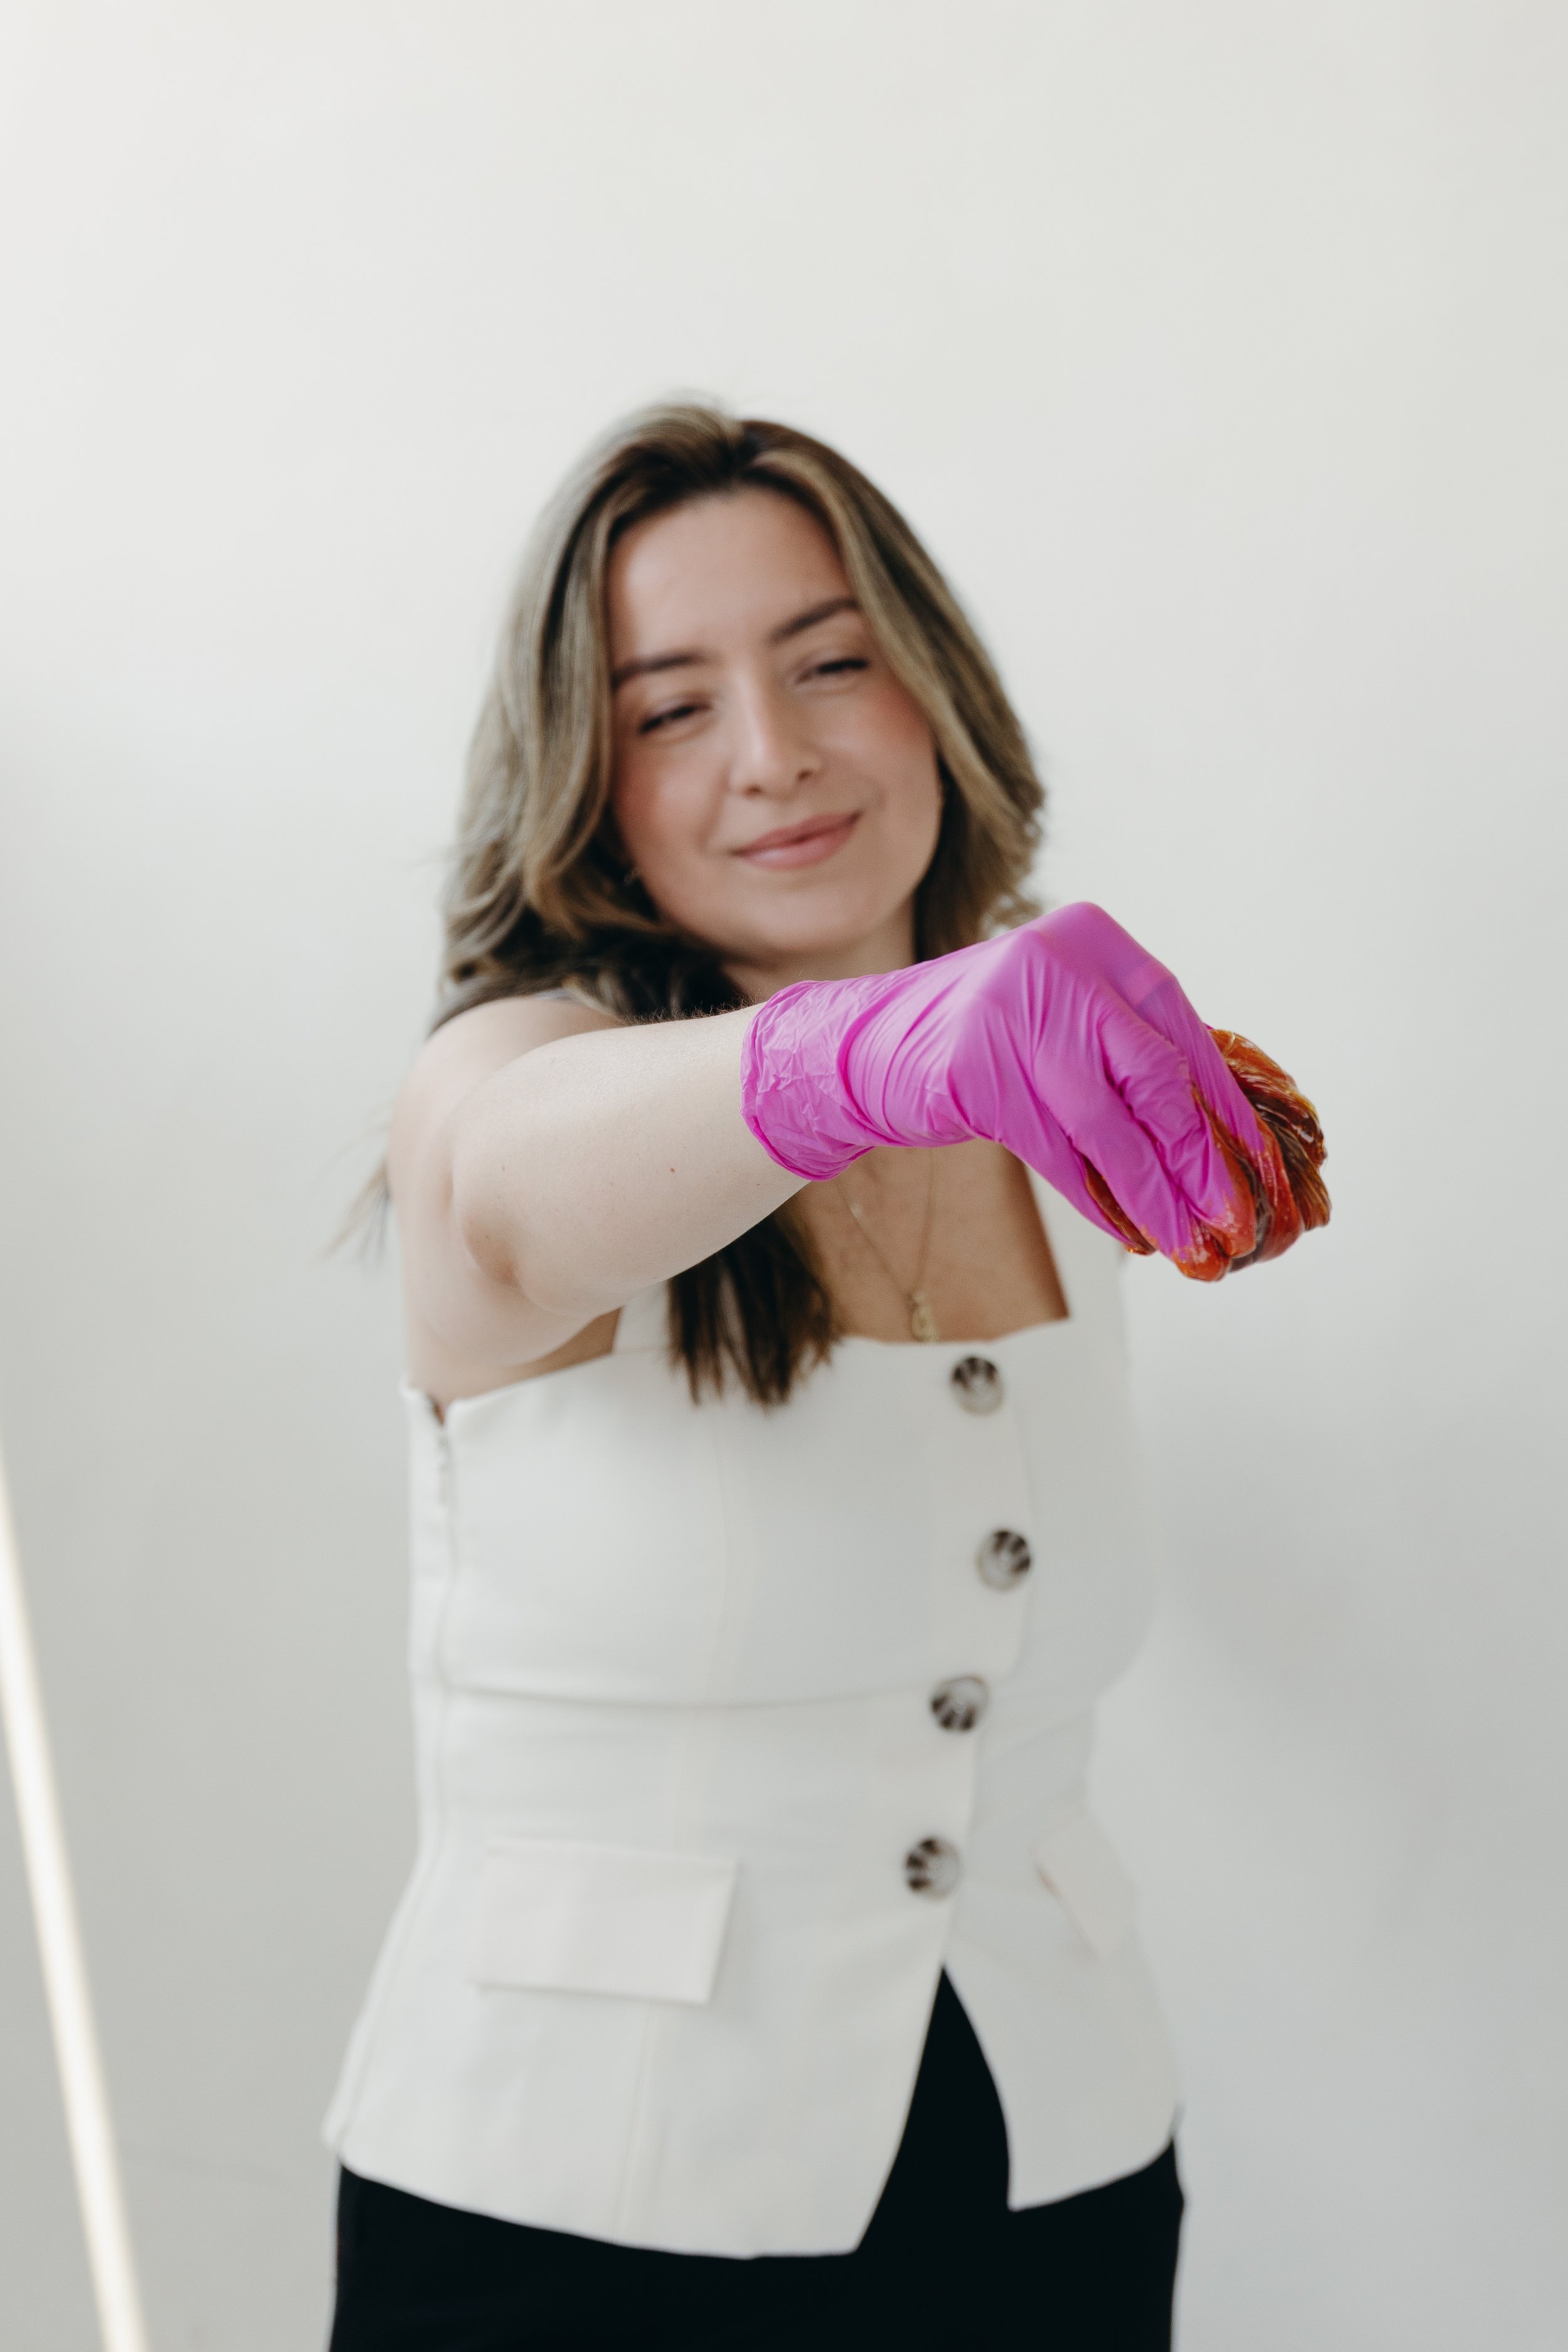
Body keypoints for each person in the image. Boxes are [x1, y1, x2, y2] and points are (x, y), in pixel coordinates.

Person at [324, 404, 1310, 2349]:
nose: (769, 753)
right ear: (584, 775)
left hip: (1056, 2170)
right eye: (670, 707)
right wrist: (875, 1052)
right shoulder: (518, 1076)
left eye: (829, 662)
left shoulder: (1060, 1121)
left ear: (932, 687)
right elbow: (503, 1196)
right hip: (576, 2217)